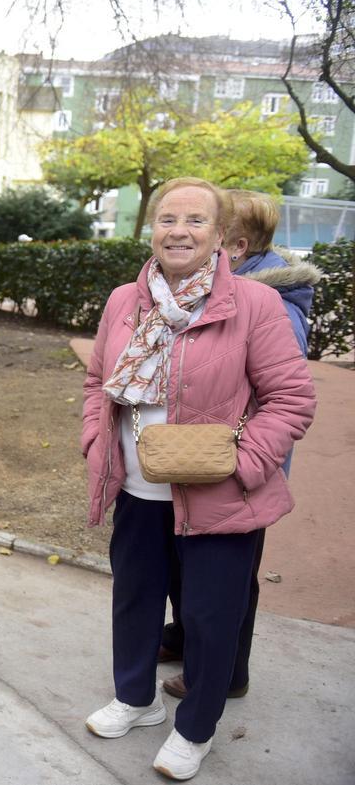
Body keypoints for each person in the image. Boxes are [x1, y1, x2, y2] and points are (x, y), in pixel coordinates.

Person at [80, 177, 315, 781]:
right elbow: (96, 384)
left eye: (194, 221)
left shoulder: (255, 306)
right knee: (133, 603)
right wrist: (94, 443)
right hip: (138, 490)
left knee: (211, 617)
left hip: (220, 494)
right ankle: (137, 699)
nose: (178, 231)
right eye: (166, 219)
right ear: (151, 229)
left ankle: (196, 728)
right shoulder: (122, 302)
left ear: (222, 239)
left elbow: (289, 399)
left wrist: (244, 466)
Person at [158, 190, 321, 699]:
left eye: (209, 229)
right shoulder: (209, 290)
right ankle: (187, 637)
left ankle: (229, 673)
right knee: (190, 563)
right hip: (199, 462)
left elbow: (283, 398)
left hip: (239, 473)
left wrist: (245, 464)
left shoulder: (269, 304)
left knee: (230, 581)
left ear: (236, 245)